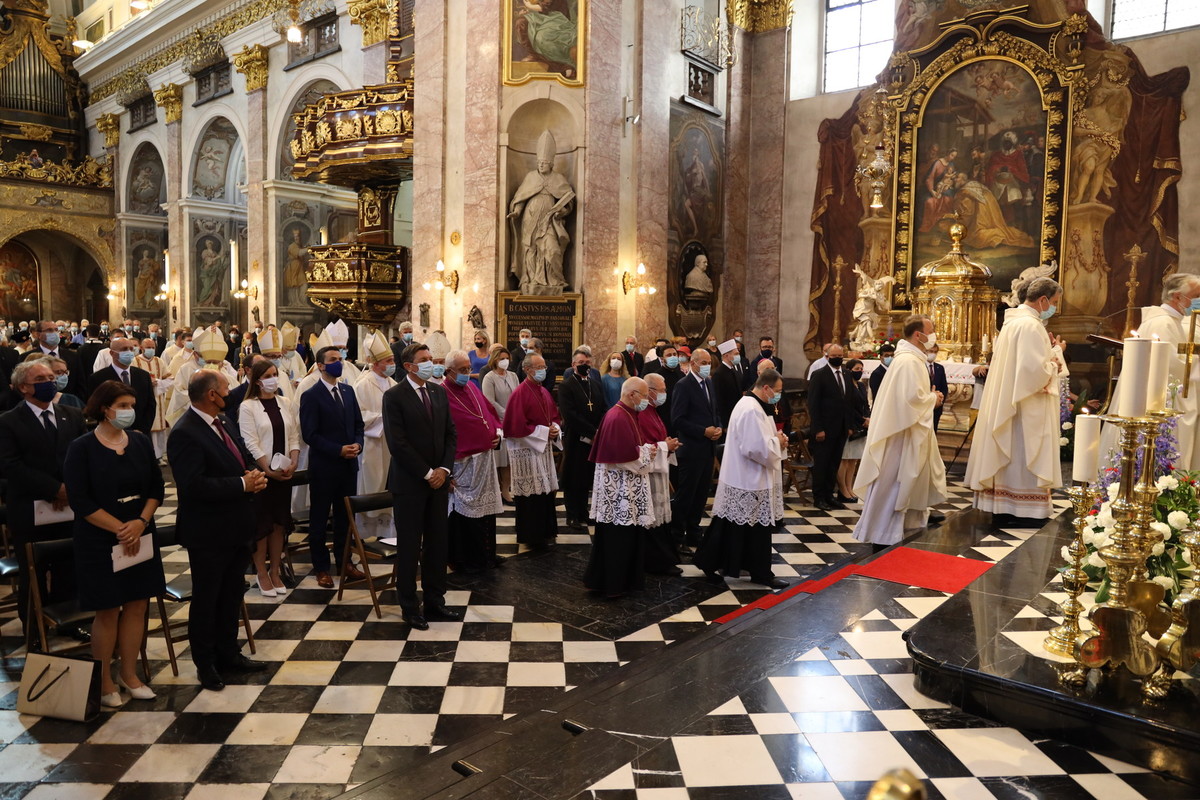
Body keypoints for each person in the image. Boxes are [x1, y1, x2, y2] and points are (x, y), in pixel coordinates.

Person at [65, 380, 165, 706]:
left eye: (131, 406)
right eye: (122, 406)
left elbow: (156, 488)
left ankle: (130, 674)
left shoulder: (138, 442)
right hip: (99, 539)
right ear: (104, 409)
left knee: (137, 605)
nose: (129, 412)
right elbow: (80, 500)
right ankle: (104, 679)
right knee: (108, 610)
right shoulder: (82, 447)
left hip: (140, 533)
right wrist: (121, 528)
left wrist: (140, 522)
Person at [167, 371, 268, 692]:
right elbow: (193, 485)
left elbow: (238, 458)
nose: (230, 393)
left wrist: (251, 474)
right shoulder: (185, 432)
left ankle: (229, 652)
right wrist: (243, 483)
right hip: (208, 531)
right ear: (212, 394)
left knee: (231, 594)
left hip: (236, 525)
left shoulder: (222, 422)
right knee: (208, 598)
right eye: (225, 388)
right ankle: (206, 663)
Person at [0, 360, 88, 641]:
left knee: (68, 567)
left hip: (69, 506)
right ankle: (34, 629)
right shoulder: (8, 421)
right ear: (24, 387)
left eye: (52, 376)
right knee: (33, 573)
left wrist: (69, 488)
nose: (50, 382)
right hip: (30, 508)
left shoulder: (72, 415)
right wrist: (54, 489)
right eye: (41, 378)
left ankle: (69, 622)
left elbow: (82, 457)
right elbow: (10, 465)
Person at [965, 277, 1063, 524]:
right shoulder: (1030, 326)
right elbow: (1033, 372)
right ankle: (1023, 509)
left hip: (1013, 401)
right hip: (1026, 406)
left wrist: (1049, 354)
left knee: (1011, 452)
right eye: (1053, 302)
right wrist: (1055, 359)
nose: (1053, 307)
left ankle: (1004, 505)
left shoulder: (1013, 323)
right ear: (1042, 300)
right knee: (1022, 450)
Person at [383, 342, 460, 629]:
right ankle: (409, 606)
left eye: (431, 359)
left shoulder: (438, 392)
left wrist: (443, 469)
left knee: (438, 544)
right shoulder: (394, 396)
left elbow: (450, 433)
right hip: (410, 483)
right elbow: (398, 443)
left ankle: (435, 601)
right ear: (409, 366)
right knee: (410, 546)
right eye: (424, 360)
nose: (431, 363)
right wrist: (428, 473)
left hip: (439, 481)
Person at [852, 316, 947, 551]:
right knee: (892, 484)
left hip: (904, 431)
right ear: (918, 335)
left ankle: (906, 524)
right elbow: (911, 400)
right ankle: (882, 534)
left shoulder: (909, 359)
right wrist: (933, 399)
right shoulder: (909, 362)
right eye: (931, 330)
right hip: (900, 436)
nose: (934, 334)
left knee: (902, 482)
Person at [694, 369, 789, 589]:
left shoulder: (755, 405)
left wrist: (775, 439)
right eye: (777, 391)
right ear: (765, 388)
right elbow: (754, 448)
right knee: (735, 527)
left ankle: (756, 571)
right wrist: (778, 443)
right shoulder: (750, 409)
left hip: (748, 477)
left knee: (745, 528)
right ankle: (755, 572)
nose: (778, 396)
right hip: (747, 477)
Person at [1104, 275, 1200, 469]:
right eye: (1196, 295)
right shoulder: (1162, 323)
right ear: (1177, 297)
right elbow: (1174, 367)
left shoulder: (1168, 321)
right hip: (1155, 399)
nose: (1197, 301)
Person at [584, 378, 659, 598]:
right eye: (644, 395)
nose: (647, 400)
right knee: (617, 539)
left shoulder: (627, 413)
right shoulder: (617, 416)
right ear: (632, 394)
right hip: (619, 492)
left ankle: (620, 581)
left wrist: (645, 451)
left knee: (623, 537)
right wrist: (648, 454)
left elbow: (631, 448)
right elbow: (626, 458)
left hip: (625, 489)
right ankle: (613, 584)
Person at [300, 346, 366, 588]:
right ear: (320, 365)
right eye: (333, 360)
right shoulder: (311, 395)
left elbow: (358, 425)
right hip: (325, 467)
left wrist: (357, 444)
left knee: (345, 518)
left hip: (348, 466)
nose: (339, 363)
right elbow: (310, 434)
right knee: (319, 519)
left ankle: (345, 561)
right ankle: (321, 568)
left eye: (340, 359)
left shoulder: (348, 391)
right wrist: (338, 449)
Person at [238, 359, 300, 597]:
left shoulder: (285, 402)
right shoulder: (248, 407)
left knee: (279, 524)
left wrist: (293, 462)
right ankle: (261, 573)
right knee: (262, 525)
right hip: (263, 474)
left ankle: (276, 570)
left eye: (275, 374)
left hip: (284, 472)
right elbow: (251, 442)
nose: (273, 379)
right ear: (257, 380)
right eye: (267, 375)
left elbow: (294, 435)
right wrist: (268, 469)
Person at [444, 350, 505, 571]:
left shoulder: (471, 386)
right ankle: (465, 559)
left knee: (486, 511)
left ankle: (487, 555)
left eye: (469, 368)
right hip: (462, 463)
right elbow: (442, 435)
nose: (467, 374)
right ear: (449, 372)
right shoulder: (442, 394)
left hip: (484, 459)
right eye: (462, 370)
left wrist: (496, 433)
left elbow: (487, 413)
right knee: (464, 515)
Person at [502, 353, 562, 549]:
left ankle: (546, 531)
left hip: (542, 451)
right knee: (531, 495)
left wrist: (555, 428)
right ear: (527, 370)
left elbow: (554, 416)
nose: (543, 370)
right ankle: (531, 535)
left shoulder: (543, 391)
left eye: (544, 366)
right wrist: (546, 432)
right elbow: (515, 427)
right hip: (527, 452)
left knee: (545, 492)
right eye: (539, 367)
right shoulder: (520, 393)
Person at [670, 348, 722, 550]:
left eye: (708, 362)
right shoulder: (684, 385)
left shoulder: (708, 382)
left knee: (701, 495)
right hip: (691, 449)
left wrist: (717, 427)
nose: (707, 366)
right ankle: (677, 536)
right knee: (686, 495)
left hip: (708, 449)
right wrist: (703, 431)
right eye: (703, 362)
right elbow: (678, 420)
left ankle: (694, 532)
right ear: (692, 363)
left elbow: (714, 411)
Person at [353, 331, 398, 543]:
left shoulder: (393, 383)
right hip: (372, 444)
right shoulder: (362, 384)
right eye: (388, 361)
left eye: (392, 360)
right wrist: (384, 419)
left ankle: (386, 534)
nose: (392, 364)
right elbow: (358, 417)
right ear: (375, 363)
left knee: (388, 486)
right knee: (371, 485)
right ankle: (364, 534)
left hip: (390, 445)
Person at [558, 348, 606, 530]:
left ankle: (584, 512)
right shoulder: (566, 385)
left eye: (587, 363)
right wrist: (592, 433)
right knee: (573, 477)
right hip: (576, 438)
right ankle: (572, 515)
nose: (584, 366)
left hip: (595, 439)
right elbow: (570, 415)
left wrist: (599, 431)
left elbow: (603, 408)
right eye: (581, 364)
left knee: (587, 476)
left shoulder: (596, 384)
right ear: (573, 365)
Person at [642, 372, 681, 575]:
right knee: (652, 517)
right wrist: (665, 446)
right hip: (648, 474)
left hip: (658, 472)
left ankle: (665, 558)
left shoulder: (654, 410)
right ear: (649, 392)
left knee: (661, 516)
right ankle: (656, 561)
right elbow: (643, 446)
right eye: (663, 390)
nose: (666, 393)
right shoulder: (642, 412)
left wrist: (668, 445)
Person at [807, 343, 855, 510]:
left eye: (840, 356)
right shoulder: (819, 375)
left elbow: (847, 402)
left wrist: (848, 425)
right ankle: (818, 497)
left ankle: (829, 495)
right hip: (824, 429)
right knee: (822, 464)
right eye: (834, 356)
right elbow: (813, 404)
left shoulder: (847, 375)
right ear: (827, 356)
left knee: (834, 464)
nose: (838, 358)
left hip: (840, 428)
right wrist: (818, 428)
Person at [482, 347, 519, 502]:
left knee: (510, 458)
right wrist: (506, 414)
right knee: (500, 457)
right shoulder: (489, 377)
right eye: (501, 358)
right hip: (497, 421)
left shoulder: (513, 376)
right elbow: (489, 401)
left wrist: (516, 414)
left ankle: (506, 489)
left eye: (507, 358)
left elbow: (518, 395)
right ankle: (497, 489)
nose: (505, 361)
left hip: (513, 421)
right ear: (495, 359)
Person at [837, 358, 870, 503]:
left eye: (861, 369)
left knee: (853, 460)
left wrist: (868, 418)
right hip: (851, 425)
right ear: (849, 370)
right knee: (845, 459)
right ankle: (842, 489)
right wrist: (862, 420)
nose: (860, 371)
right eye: (857, 369)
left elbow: (865, 404)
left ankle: (850, 488)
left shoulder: (861, 386)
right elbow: (847, 407)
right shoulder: (846, 386)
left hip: (862, 426)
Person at [134, 336, 170, 457]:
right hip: (142, 399)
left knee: (159, 429)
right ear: (141, 348)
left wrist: (158, 383)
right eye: (148, 347)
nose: (150, 350)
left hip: (158, 398)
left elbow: (170, 378)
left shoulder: (159, 361)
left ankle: (159, 455)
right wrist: (148, 384)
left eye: (152, 347)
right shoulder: (135, 361)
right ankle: (147, 454)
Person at [34, 319, 82, 397]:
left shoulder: (73, 356)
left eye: (56, 330)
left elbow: (80, 384)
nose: (54, 333)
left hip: (68, 403)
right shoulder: (27, 358)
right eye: (49, 330)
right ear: (38, 334)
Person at [713, 339, 747, 427]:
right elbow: (719, 401)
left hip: (737, 416)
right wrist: (724, 425)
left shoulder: (735, 371)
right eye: (736, 354)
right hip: (727, 420)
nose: (738, 356)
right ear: (727, 356)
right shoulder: (719, 374)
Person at [927, 344, 949, 430]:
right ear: (925, 351)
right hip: (925, 405)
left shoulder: (940, 368)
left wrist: (940, 400)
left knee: (934, 430)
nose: (933, 354)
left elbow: (944, 387)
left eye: (935, 352)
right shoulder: (920, 366)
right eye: (931, 351)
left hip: (937, 407)